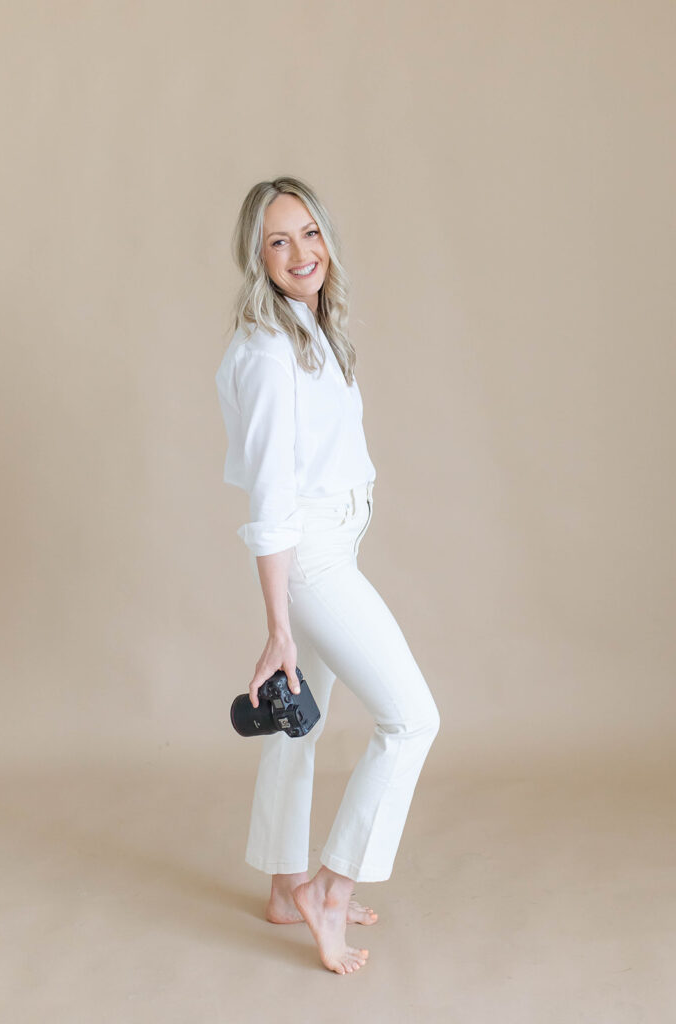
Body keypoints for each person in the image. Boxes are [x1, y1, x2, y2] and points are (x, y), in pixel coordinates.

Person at [214, 176, 440, 975]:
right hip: (309, 556)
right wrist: (279, 627)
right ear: (258, 257)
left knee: (299, 725)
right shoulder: (272, 353)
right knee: (412, 721)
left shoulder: (308, 327)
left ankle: (283, 886)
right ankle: (328, 892)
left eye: (309, 233)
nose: (301, 253)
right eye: (279, 241)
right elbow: (271, 504)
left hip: (327, 547)